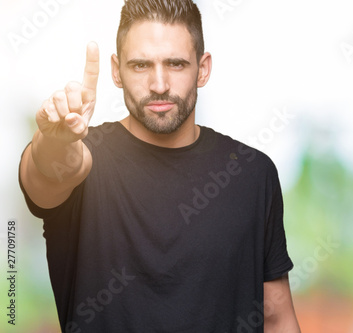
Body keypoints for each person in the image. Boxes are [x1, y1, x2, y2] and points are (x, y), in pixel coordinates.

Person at [18, 0, 301, 332]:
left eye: (176, 64)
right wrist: (56, 140)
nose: (159, 84)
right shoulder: (81, 156)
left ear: (203, 68)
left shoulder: (253, 174)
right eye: (141, 65)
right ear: (116, 70)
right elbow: (53, 170)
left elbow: (276, 318)